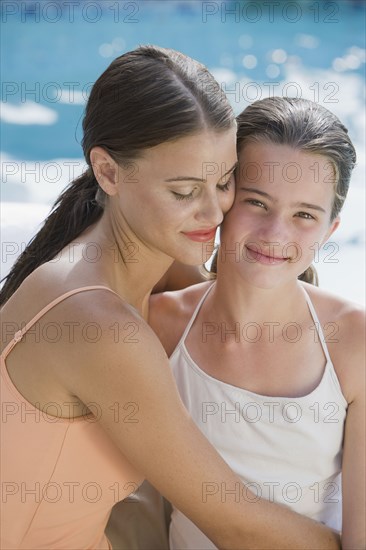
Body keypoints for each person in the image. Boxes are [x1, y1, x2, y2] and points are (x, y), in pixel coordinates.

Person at [0, 45, 341, 550]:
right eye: (183, 192)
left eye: (225, 182)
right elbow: (235, 523)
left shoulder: (158, 264)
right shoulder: (94, 319)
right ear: (109, 173)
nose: (213, 212)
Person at [149, 97, 365, 550]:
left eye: (305, 215)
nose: (275, 234)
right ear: (222, 197)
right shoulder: (161, 327)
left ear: (330, 229)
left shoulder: (352, 344)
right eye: (256, 202)